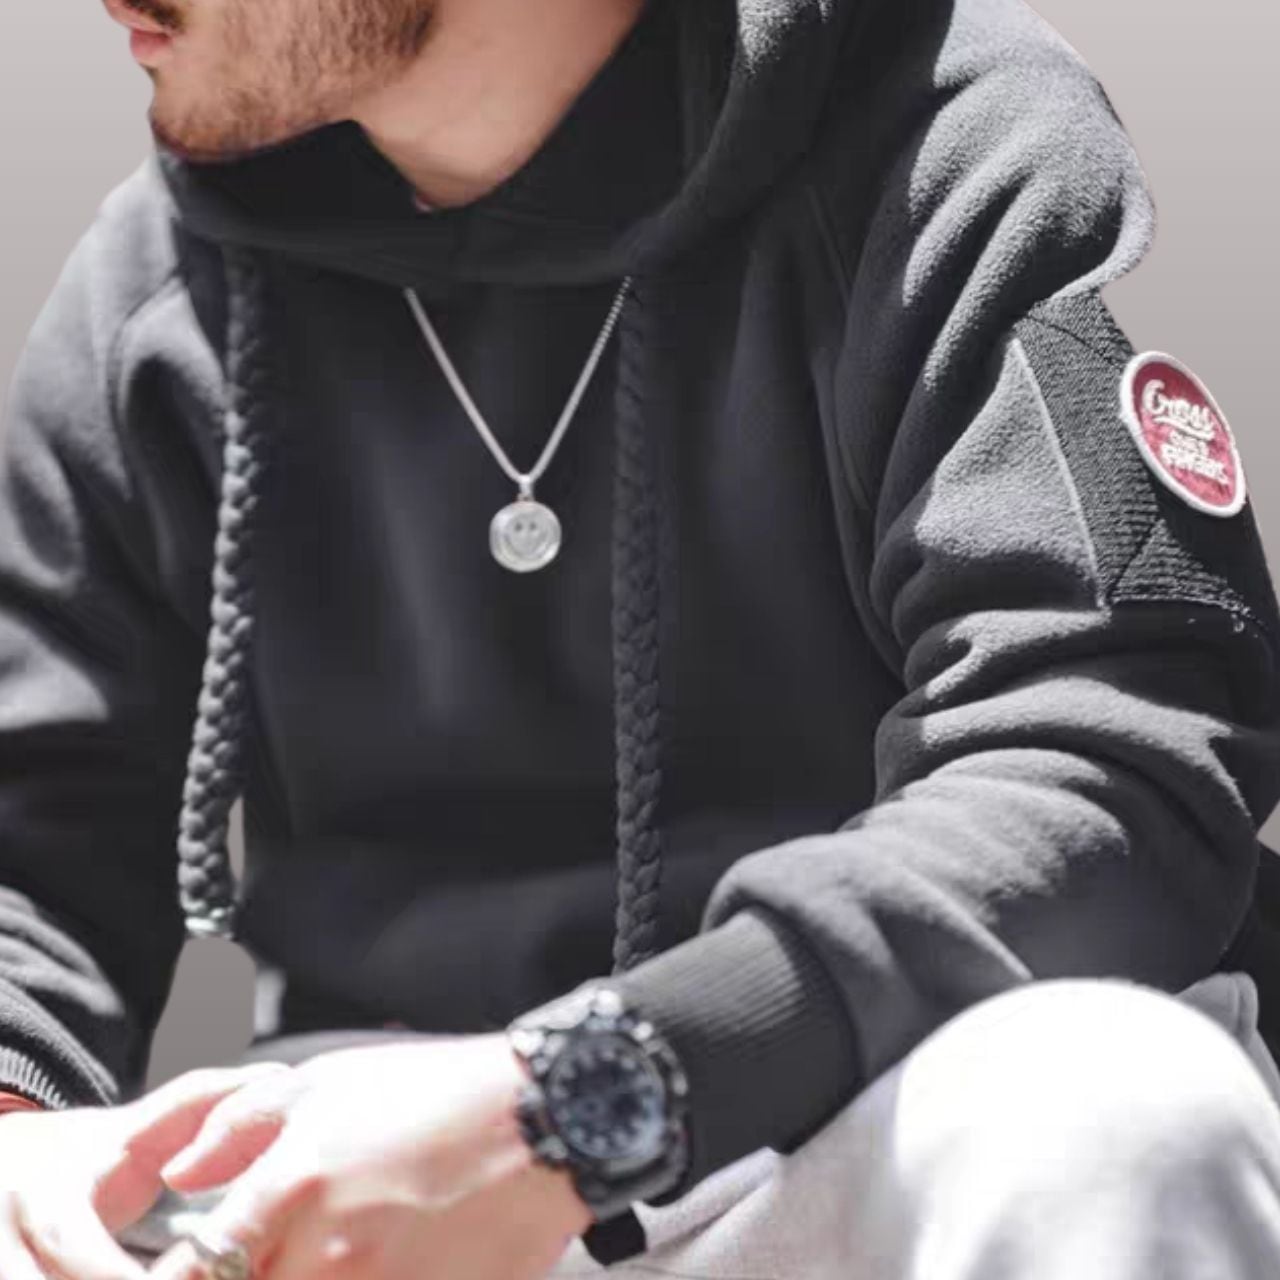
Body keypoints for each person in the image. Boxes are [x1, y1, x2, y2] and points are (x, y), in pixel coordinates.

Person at [2, 0, 1280, 1276]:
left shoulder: (949, 136)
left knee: (1117, 1112)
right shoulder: (158, 288)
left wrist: (588, 1098)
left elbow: (1112, 765)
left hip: (848, 1097)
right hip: (362, 1162)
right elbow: (32, 849)